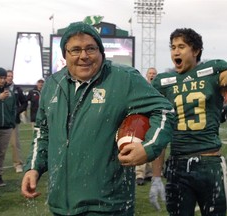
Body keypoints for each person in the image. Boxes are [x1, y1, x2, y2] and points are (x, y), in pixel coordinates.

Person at [21, 21, 175, 215]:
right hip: (60, 204)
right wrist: (33, 168)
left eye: (90, 49)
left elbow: (164, 111)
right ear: (65, 55)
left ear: (101, 52)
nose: (83, 56)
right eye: (75, 50)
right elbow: (42, 131)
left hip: (107, 204)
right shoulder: (52, 84)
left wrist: (148, 148)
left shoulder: (123, 78)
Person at [151, 28, 227, 215]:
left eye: (181, 46)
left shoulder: (213, 71)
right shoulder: (163, 82)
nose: (176, 52)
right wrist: (156, 177)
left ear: (195, 51)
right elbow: (159, 130)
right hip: (177, 164)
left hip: (209, 163)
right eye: (173, 47)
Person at [0, 70, 27, 173]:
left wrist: (16, 112)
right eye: (7, 76)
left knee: (15, 144)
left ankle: (18, 164)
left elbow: (24, 103)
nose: (9, 78)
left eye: (11, 76)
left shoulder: (17, 89)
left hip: (12, 121)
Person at [135, 67, 157, 186]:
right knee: (142, 143)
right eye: (150, 73)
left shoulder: (159, 87)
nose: (152, 75)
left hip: (154, 118)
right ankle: (139, 174)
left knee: (153, 142)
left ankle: (149, 172)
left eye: (154, 73)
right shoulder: (142, 86)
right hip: (144, 118)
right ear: (147, 75)